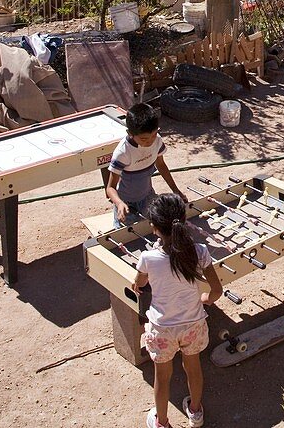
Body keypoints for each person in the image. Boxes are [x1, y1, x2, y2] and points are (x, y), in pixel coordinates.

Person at [133, 194, 222, 428]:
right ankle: (195, 412)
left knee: (162, 377)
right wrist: (205, 299)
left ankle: (161, 422)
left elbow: (139, 284)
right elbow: (216, 290)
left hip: (162, 329)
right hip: (193, 325)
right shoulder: (200, 251)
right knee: (193, 368)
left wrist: (140, 281)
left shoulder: (148, 258)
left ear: (154, 228)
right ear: (183, 220)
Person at [106, 104, 186, 228]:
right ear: (130, 133)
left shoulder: (157, 141)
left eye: (154, 135)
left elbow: (161, 166)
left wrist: (175, 190)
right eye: (144, 139)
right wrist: (119, 203)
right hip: (127, 202)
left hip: (147, 196)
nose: (150, 141)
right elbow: (110, 188)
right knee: (127, 234)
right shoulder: (123, 153)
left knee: (155, 226)